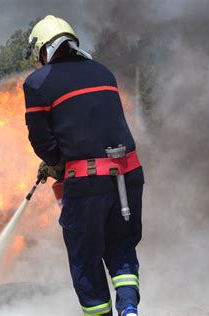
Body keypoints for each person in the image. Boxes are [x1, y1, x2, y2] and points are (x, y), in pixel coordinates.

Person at [23, 16, 144, 316]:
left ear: (42, 49)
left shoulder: (38, 82)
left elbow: (41, 140)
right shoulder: (103, 72)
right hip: (129, 175)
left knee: (86, 257)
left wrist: (55, 164)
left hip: (87, 183)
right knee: (121, 246)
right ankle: (129, 309)